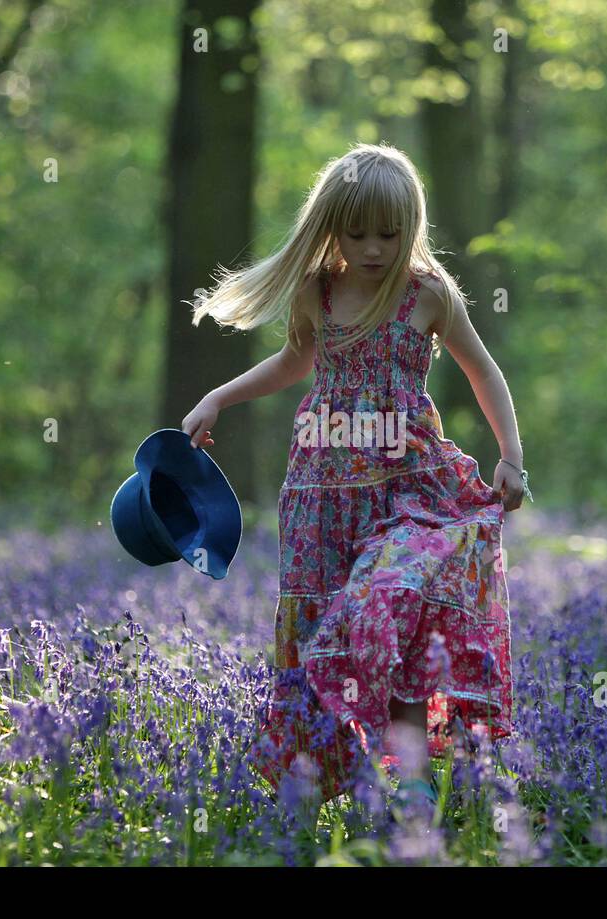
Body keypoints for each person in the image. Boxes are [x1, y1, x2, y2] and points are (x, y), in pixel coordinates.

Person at [180, 142, 527, 818]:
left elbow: (483, 370)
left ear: (411, 227)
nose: (373, 248)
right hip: (322, 494)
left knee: (392, 608)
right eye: (357, 232)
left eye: (389, 234)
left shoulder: (428, 294)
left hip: (411, 489)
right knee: (320, 634)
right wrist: (218, 397)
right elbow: (291, 364)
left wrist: (511, 454)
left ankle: (413, 771)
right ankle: (327, 784)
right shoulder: (318, 290)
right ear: (331, 229)